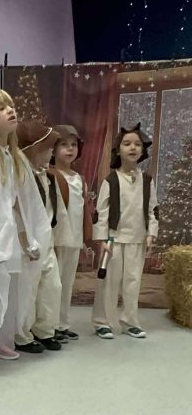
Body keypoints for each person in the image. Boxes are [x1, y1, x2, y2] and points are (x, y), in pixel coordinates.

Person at [0, 92, 51, 358]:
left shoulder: (13, 156)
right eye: (1, 108)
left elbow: (19, 203)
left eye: (11, 106)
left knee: (4, 288)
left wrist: (27, 239)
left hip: (9, 235)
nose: (10, 110)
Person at [92, 123, 158, 339]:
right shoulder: (111, 180)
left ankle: (130, 321)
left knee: (133, 282)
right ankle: (102, 321)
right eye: (127, 143)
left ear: (143, 150)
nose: (133, 148)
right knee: (108, 283)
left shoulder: (147, 181)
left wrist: (151, 233)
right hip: (114, 240)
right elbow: (101, 211)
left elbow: (153, 210)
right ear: (118, 150)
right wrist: (101, 239)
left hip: (137, 239)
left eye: (137, 144)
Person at [14, 120, 62, 353]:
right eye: (47, 148)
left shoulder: (48, 177)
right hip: (29, 239)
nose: (51, 152)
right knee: (28, 288)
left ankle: (45, 329)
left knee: (52, 285)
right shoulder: (22, 176)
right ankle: (22, 334)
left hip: (46, 237)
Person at [49, 124, 93, 341]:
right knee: (53, 284)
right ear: (54, 149)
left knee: (67, 283)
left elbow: (83, 210)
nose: (70, 149)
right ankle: (49, 324)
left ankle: (62, 323)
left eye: (73, 145)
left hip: (74, 238)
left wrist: (85, 236)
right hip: (57, 238)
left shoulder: (79, 178)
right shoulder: (50, 175)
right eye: (64, 145)